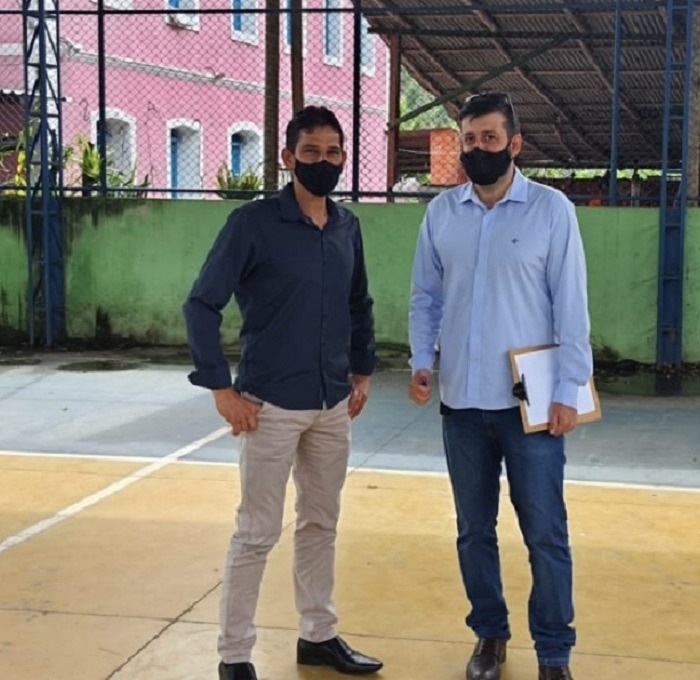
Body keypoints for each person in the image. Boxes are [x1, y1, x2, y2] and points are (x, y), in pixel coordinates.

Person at [183, 105, 383, 680]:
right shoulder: (253, 224)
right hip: (267, 406)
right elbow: (201, 304)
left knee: (321, 523)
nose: (324, 161)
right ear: (288, 157)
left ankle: (318, 635)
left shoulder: (346, 226)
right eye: (311, 151)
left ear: (344, 157)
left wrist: (362, 370)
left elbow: (358, 302)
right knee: (257, 533)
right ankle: (234, 655)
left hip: (331, 404)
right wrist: (220, 388)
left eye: (333, 152)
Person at [408, 92, 592, 680]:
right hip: (461, 402)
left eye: (489, 138)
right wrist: (421, 360)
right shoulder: (442, 214)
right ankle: (489, 635)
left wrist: (569, 390)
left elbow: (571, 306)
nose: (478, 148)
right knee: (473, 532)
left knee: (546, 533)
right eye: (469, 139)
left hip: (531, 406)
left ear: (514, 144)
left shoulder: (551, 210)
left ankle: (554, 652)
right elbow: (426, 297)